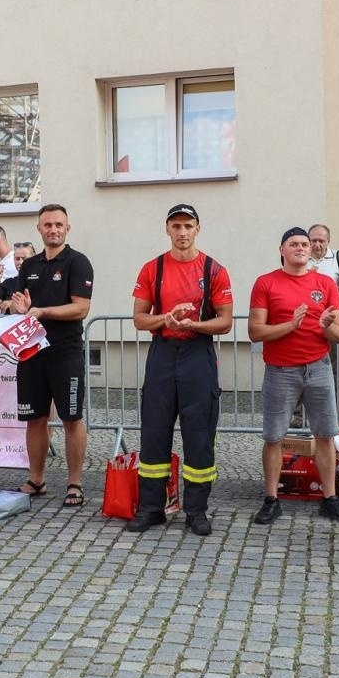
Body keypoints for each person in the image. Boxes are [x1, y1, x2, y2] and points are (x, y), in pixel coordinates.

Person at [126, 205, 234, 536]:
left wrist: (194, 324)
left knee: (199, 434)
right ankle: (151, 508)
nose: (182, 232)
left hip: (197, 354)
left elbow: (226, 322)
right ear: (167, 229)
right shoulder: (152, 268)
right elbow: (140, 318)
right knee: (154, 431)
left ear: (198, 229)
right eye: (176, 226)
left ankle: (196, 511)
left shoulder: (215, 270)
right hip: (162, 352)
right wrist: (166, 318)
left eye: (188, 225)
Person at [248, 226, 339, 527]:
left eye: (305, 244)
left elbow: (337, 334)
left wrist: (324, 324)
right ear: (282, 249)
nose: (301, 247)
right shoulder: (266, 283)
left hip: (319, 368)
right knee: (273, 437)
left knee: (326, 435)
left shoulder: (325, 283)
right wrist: (289, 326)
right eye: (294, 243)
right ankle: (271, 499)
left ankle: (330, 498)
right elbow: (255, 331)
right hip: (280, 371)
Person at [0, 204, 95, 506]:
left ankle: (74, 483)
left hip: (65, 353)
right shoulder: (30, 265)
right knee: (34, 419)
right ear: (39, 228)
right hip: (31, 353)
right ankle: (36, 480)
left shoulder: (78, 262)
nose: (53, 229)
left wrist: (43, 311)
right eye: (47, 224)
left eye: (59, 224)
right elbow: (17, 304)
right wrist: (18, 308)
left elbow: (81, 308)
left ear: (67, 228)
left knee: (71, 418)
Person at [308, 224, 339, 415]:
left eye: (321, 240)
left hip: (332, 321)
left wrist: (332, 290)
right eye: (313, 240)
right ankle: (300, 414)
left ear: (328, 241)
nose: (317, 244)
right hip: (306, 323)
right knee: (300, 367)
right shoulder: (302, 257)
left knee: (334, 367)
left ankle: (338, 410)